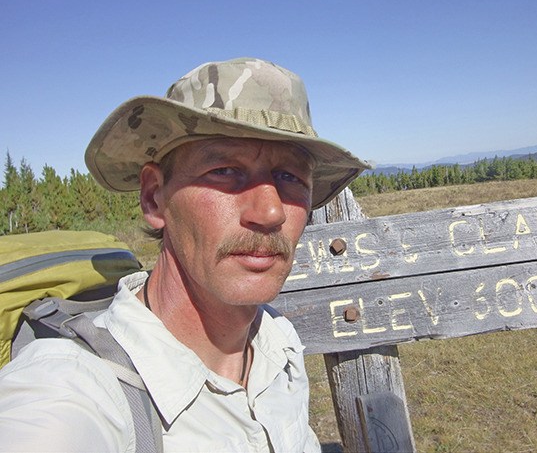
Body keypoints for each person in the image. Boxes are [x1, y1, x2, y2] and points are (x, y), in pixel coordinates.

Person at [0, 57, 371, 452]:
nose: (270, 212)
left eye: (290, 177)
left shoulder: (277, 342)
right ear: (154, 197)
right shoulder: (73, 391)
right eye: (225, 170)